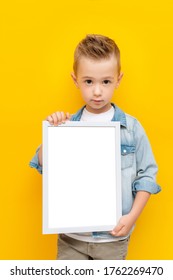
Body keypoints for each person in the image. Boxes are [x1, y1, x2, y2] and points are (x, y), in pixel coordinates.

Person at [29, 34, 161, 260]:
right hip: (72, 238)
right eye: (89, 81)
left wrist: (131, 217)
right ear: (75, 80)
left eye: (106, 82)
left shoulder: (131, 128)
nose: (97, 91)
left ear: (118, 80)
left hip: (113, 238)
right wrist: (53, 132)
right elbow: (41, 164)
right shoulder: (68, 126)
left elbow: (148, 176)